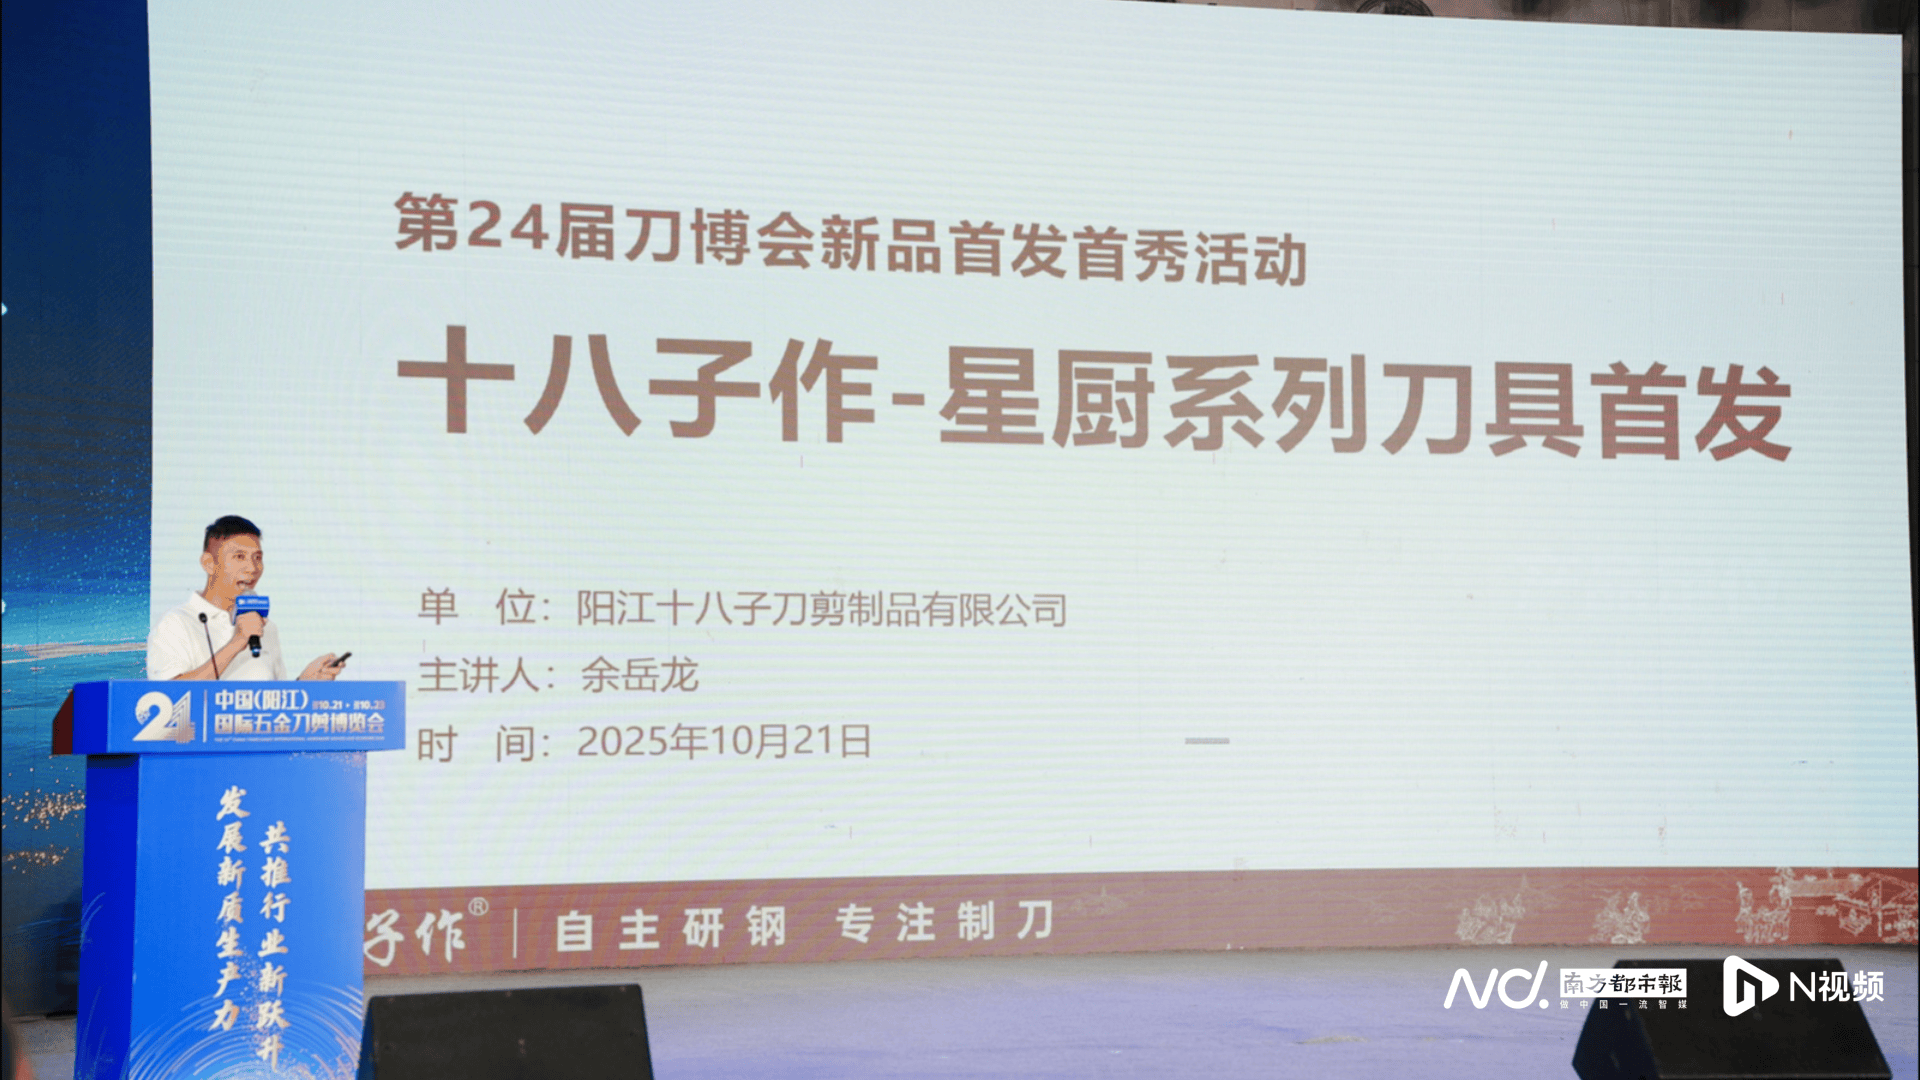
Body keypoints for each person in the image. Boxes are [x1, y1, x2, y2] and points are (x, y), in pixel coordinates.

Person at [146, 515, 345, 681]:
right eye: (239, 557)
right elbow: (168, 698)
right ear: (208, 563)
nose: (252, 568)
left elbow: (273, 701)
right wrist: (237, 642)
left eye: (257, 558)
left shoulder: (266, 628)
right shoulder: (177, 623)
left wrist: (305, 682)